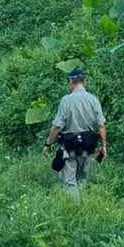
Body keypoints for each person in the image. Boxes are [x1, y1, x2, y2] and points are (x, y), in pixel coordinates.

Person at [42, 69, 107, 197]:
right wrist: (103, 146)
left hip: (70, 146)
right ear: (84, 82)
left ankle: (74, 209)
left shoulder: (66, 100)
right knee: (83, 180)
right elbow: (101, 126)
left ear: (71, 82)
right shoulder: (94, 100)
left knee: (69, 183)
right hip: (88, 146)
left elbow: (56, 127)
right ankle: (85, 207)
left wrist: (48, 144)